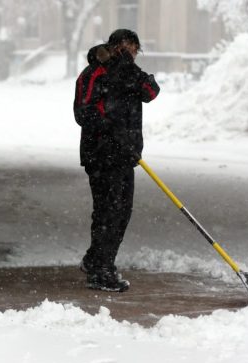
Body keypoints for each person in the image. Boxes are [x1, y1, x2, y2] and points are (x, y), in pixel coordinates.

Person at [73, 29, 160, 292]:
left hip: (126, 154)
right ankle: (101, 270)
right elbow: (82, 112)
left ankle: (95, 259)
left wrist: (126, 67)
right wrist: (111, 129)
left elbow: (151, 91)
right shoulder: (94, 73)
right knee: (108, 212)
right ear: (113, 47)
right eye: (124, 48)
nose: (130, 53)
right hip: (100, 154)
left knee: (122, 212)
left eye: (134, 48)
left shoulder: (130, 75)